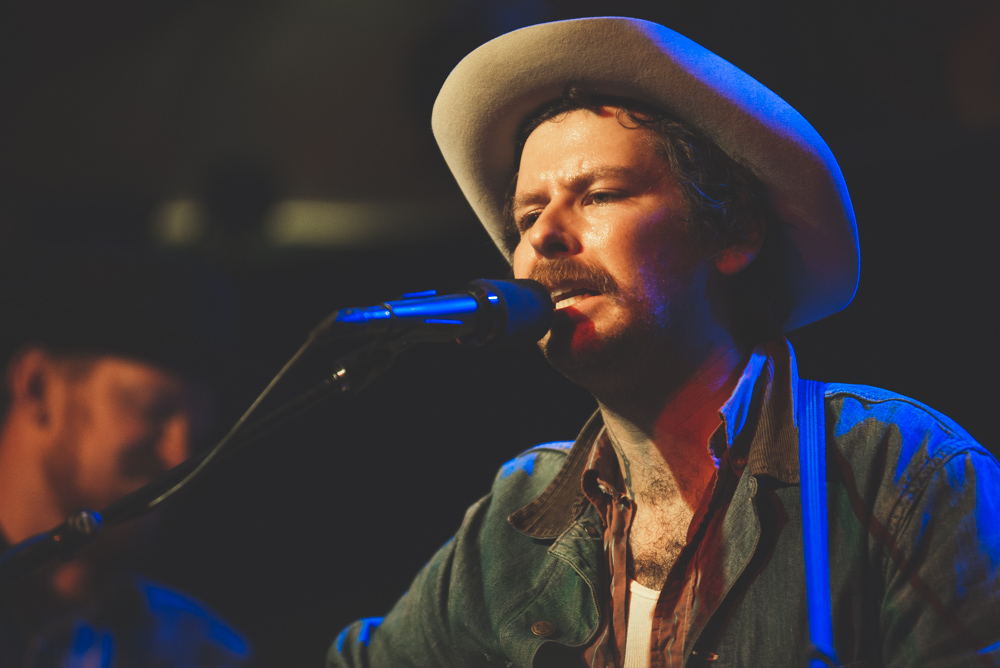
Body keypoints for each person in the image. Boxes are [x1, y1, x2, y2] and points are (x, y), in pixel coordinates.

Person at [327, 17, 1000, 668]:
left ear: (731, 233)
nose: (542, 236)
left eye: (599, 195)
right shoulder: (512, 520)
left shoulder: (902, 473)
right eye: (528, 215)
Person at [0, 249, 252, 667]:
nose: (181, 456)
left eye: (199, 428)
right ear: (37, 385)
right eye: (154, 410)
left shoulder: (205, 653)